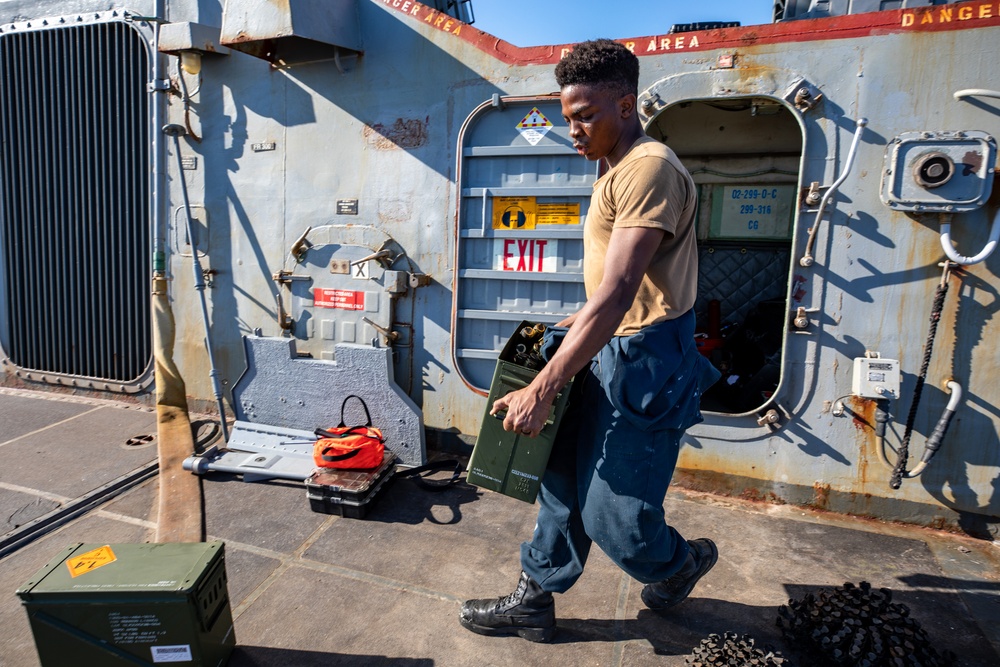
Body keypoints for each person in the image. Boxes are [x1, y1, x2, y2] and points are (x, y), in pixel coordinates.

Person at [459, 39, 721, 643]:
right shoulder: (613, 168)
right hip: (606, 348)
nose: (571, 129)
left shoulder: (649, 167)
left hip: (647, 361)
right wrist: (562, 346)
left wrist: (545, 386)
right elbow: (607, 287)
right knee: (560, 480)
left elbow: (622, 289)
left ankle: (681, 563)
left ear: (625, 106)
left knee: (617, 520)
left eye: (584, 115)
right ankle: (535, 595)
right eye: (566, 116)